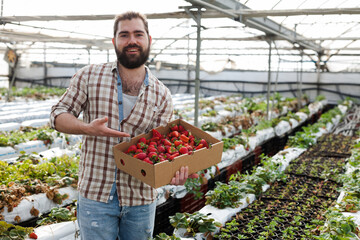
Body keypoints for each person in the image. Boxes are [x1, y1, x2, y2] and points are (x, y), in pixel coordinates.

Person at [50, 11, 192, 240]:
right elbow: (57, 115)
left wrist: (173, 172)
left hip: (140, 198)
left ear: (149, 40)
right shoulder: (89, 77)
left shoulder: (162, 94)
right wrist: (87, 128)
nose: (132, 40)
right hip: (96, 194)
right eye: (124, 35)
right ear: (114, 41)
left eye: (138, 34)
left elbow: (163, 149)